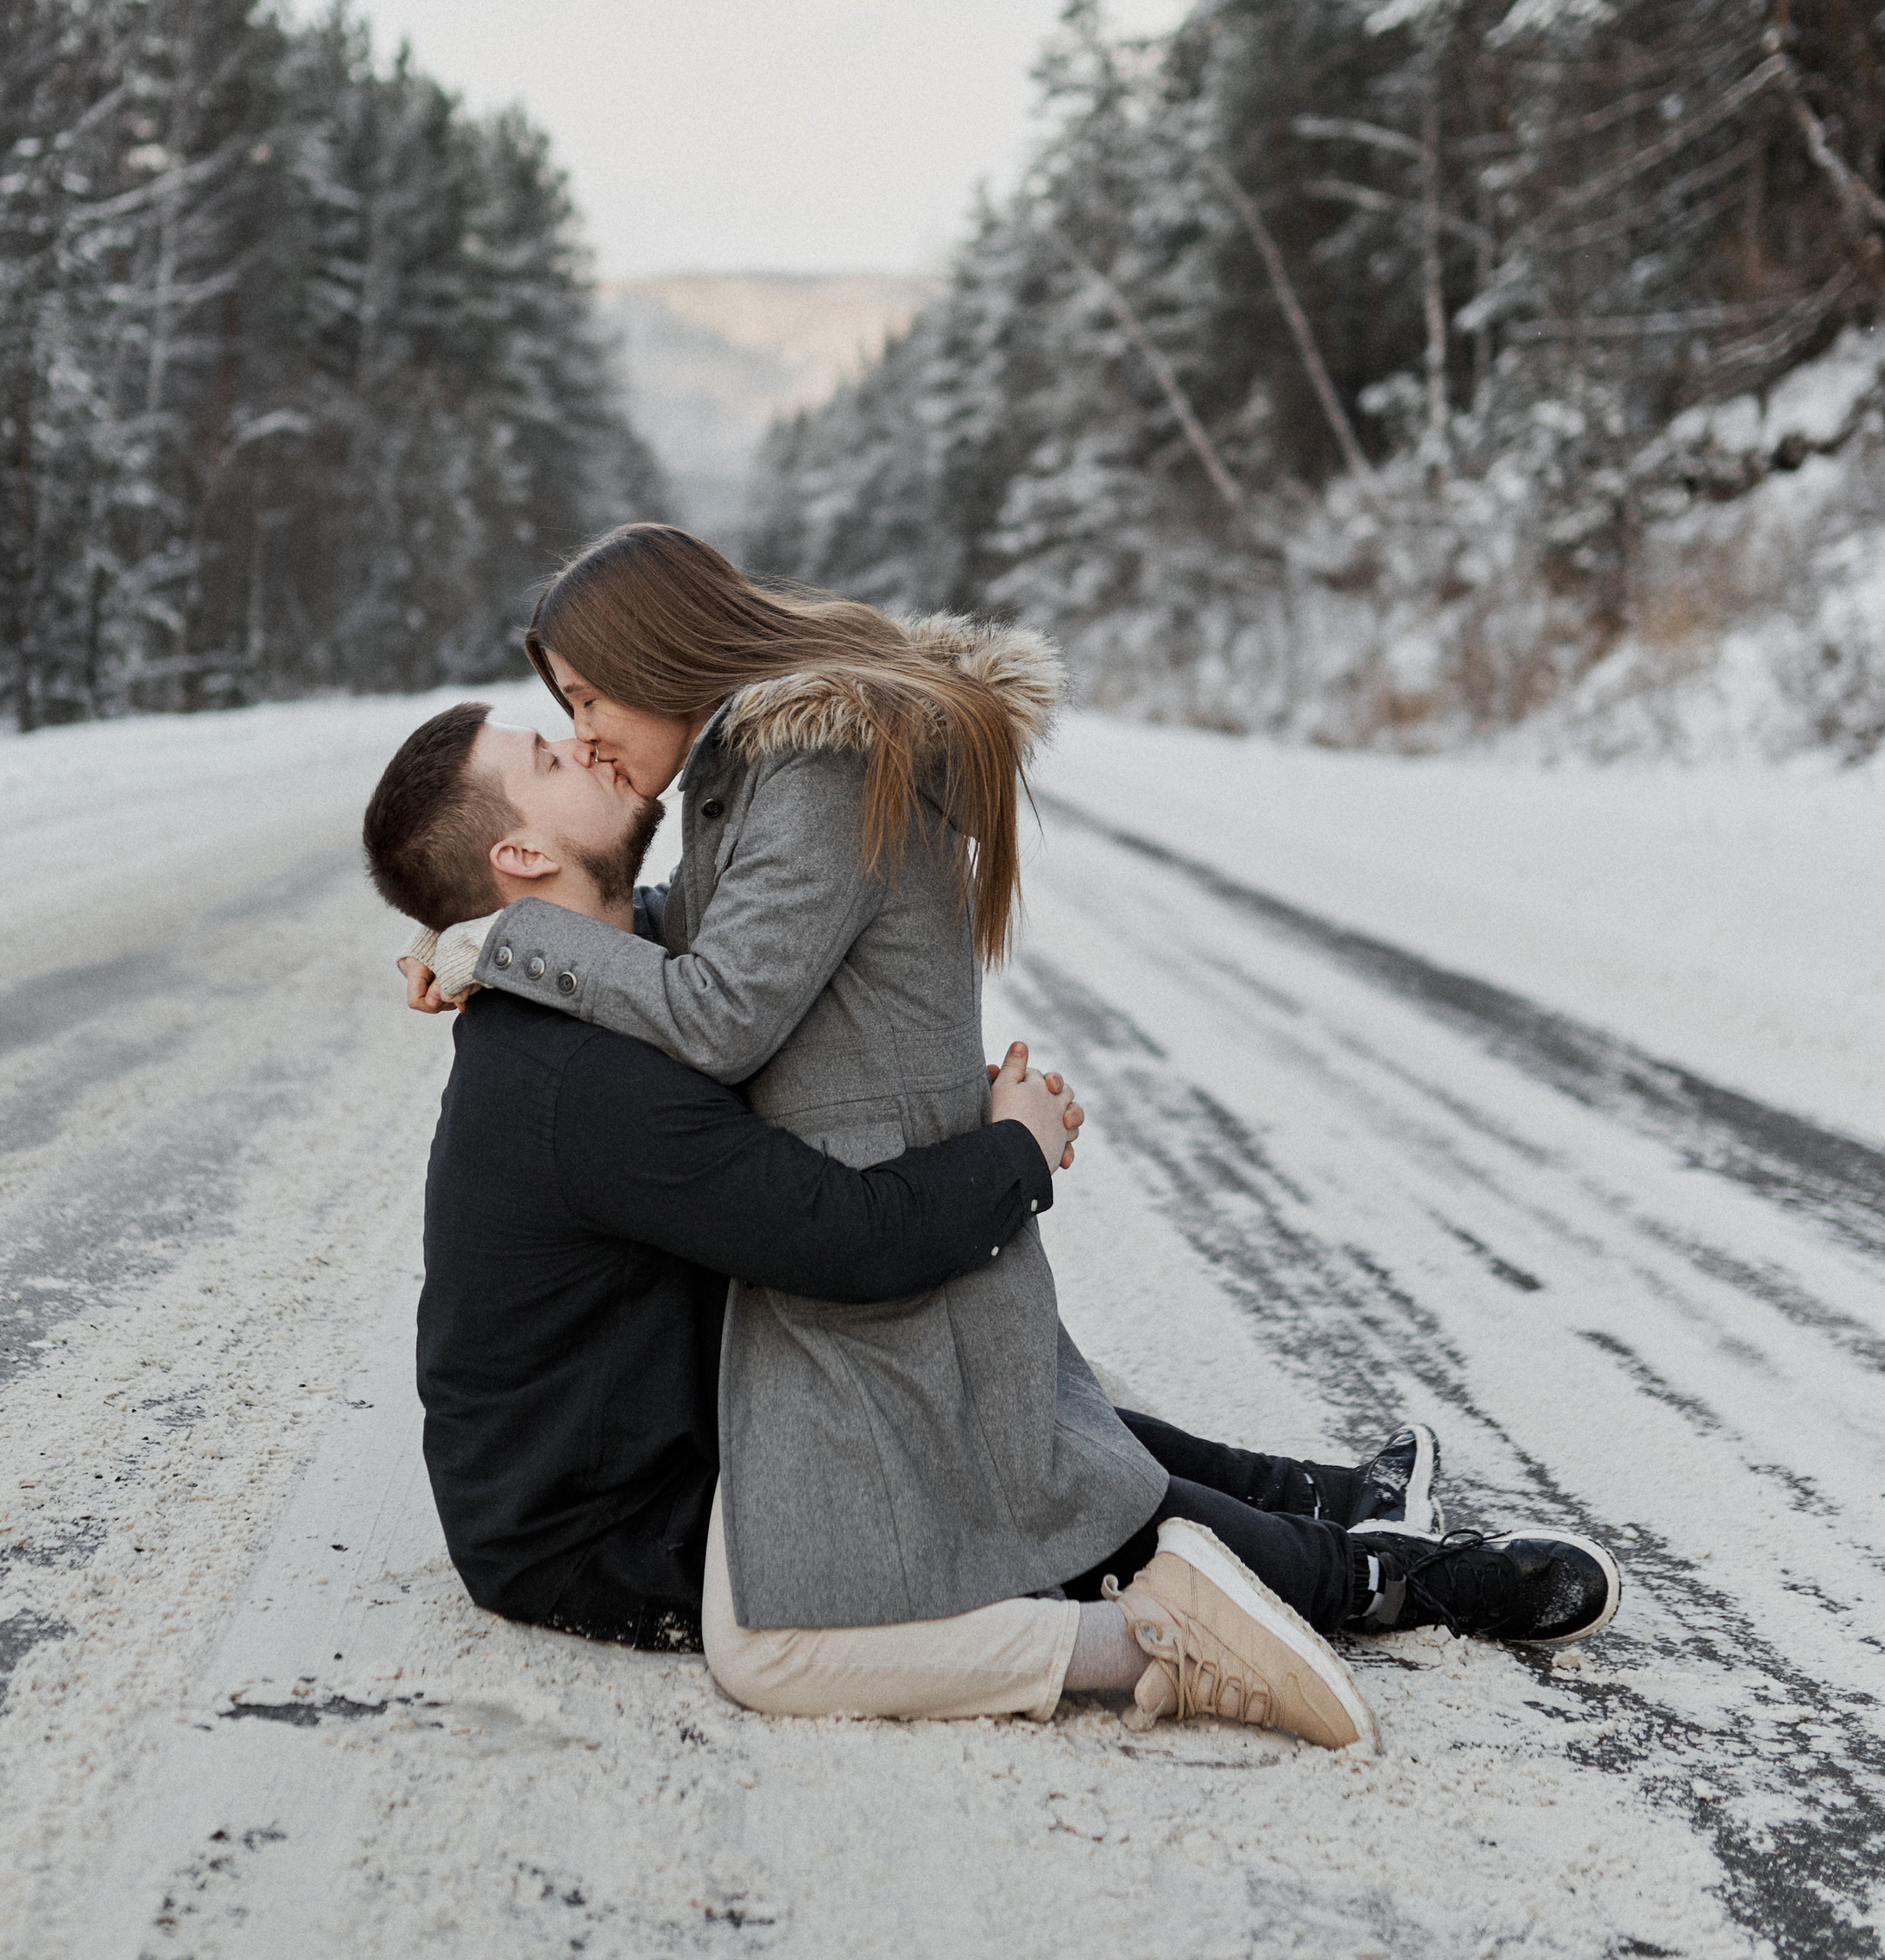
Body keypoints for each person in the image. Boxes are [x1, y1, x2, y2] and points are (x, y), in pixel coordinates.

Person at [369, 662, 1620, 1740]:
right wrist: (1012, 1150)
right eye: (550, 752)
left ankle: (1316, 1498)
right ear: (521, 855)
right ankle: (1380, 1581)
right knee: (966, 1450)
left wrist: (474, 940)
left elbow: (690, 957)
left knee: (974, 1382)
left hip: (683, 1427)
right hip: (605, 1526)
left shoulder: (610, 987)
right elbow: (850, 1241)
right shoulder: (575, 1077)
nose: (586, 741)